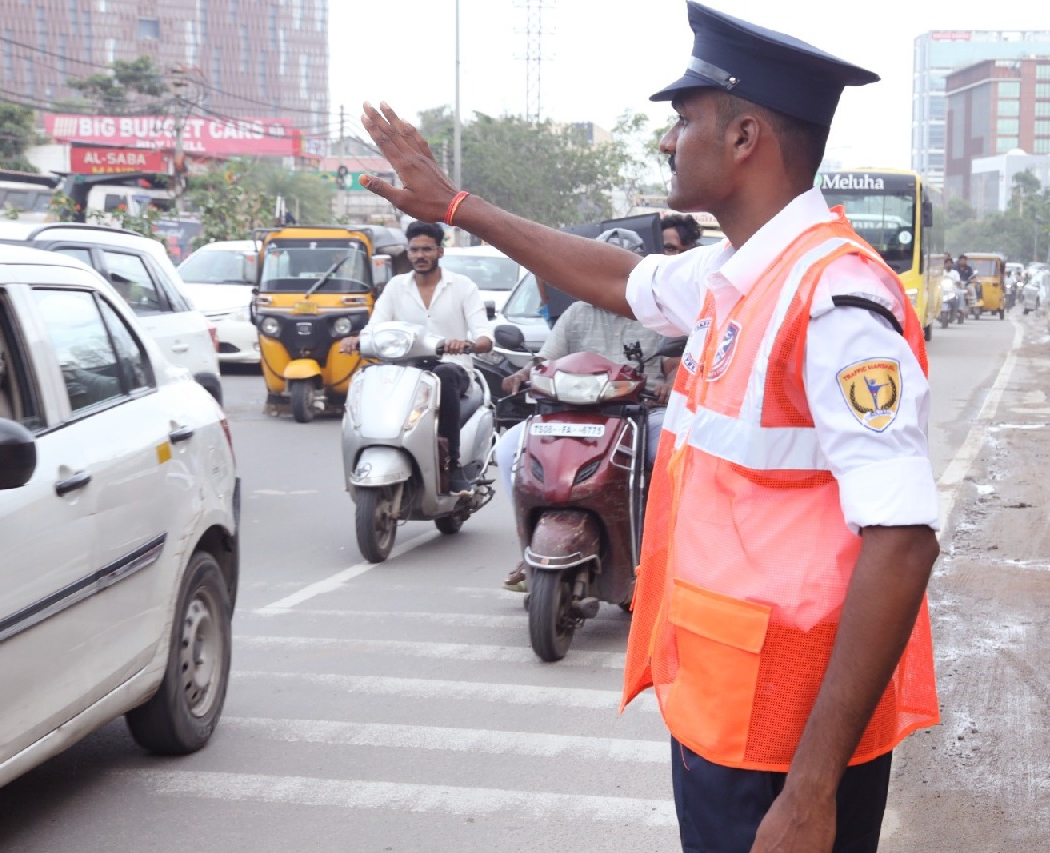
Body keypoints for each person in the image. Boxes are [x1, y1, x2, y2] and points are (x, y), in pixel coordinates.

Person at [357, 3, 940, 851]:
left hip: (788, 742)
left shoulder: (835, 300)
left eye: (684, 120)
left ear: (745, 139)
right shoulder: (735, 272)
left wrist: (812, 792)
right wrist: (457, 206)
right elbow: (614, 276)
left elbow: (903, 539)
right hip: (722, 709)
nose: (668, 141)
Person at [497, 227, 672, 592]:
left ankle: (662, 552)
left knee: (669, 457)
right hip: (570, 415)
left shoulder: (660, 314)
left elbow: (679, 363)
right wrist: (524, 373)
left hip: (641, 414)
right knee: (509, 450)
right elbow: (546, 360)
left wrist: (669, 385)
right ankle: (530, 546)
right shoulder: (577, 313)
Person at [340, 221, 492, 491]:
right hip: (403, 372)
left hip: (452, 369)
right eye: (414, 250)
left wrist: (466, 344)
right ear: (408, 253)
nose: (420, 255)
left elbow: (484, 338)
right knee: (367, 376)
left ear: (440, 252)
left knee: (443, 376)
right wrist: (357, 340)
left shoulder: (462, 286)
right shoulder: (396, 286)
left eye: (427, 249)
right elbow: (375, 328)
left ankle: (451, 463)